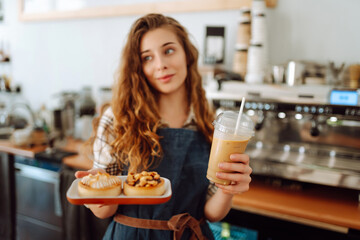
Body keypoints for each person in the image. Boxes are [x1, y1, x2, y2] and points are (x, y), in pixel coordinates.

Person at [75, 13, 252, 240]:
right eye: (147, 58)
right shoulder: (118, 118)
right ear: (138, 67)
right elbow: (105, 210)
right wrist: (94, 192)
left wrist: (228, 189)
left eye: (169, 51)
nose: (161, 65)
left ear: (186, 54)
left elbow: (211, 211)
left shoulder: (208, 120)